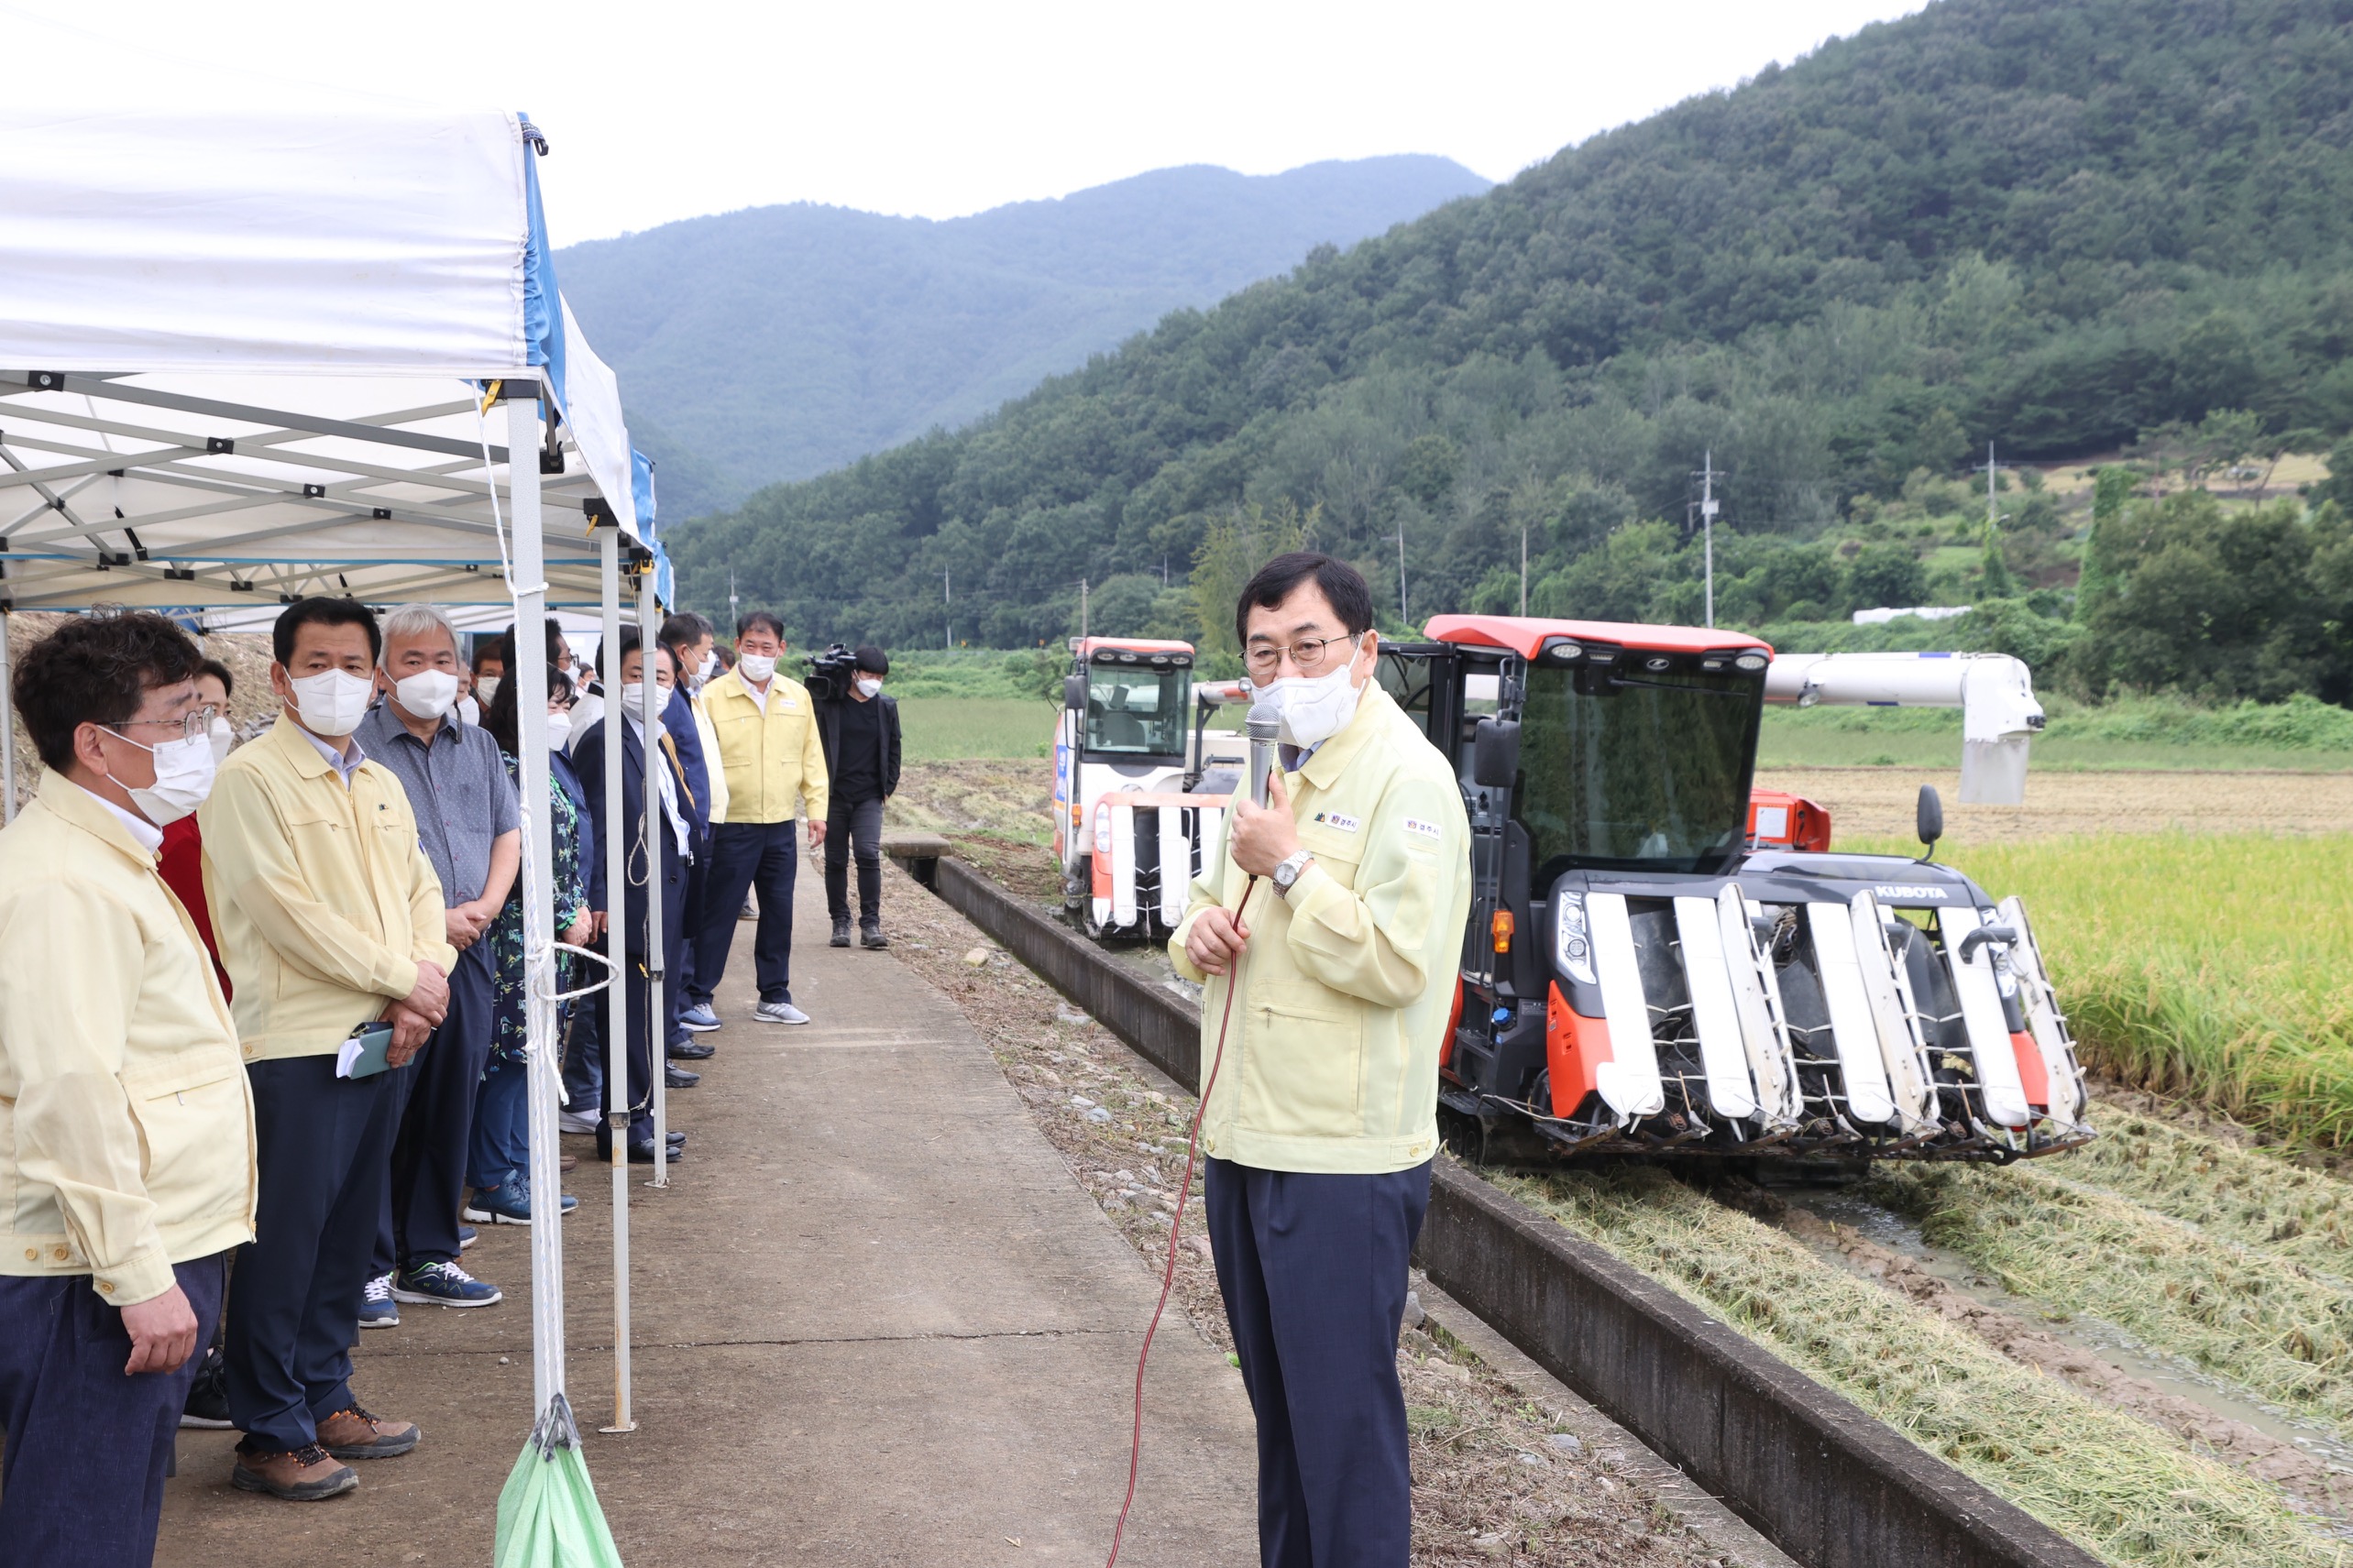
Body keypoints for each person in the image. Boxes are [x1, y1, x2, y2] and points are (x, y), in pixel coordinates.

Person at [1168, 553, 1472, 1568]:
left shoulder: (1408, 780)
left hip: (1340, 1155)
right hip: (1245, 1134)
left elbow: (1396, 961)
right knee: (1282, 1418)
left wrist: (1291, 865)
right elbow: (1209, 903)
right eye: (1264, 652)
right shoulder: (1272, 765)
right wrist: (1200, 931)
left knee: (1341, 1425)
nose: (1285, 669)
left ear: (1364, 652)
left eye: (1308, 646)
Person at [0, 611, 256, 1564]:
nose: (206, 738)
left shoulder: (112, 853)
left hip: (125, 1249)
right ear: (97, 745)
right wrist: (138, 1276)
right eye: (181, 717)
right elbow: (69, 1089)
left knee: (100, 1512)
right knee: (78, 1527)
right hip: (90, 1270)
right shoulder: (65, 882)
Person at [202, 596, 454, 1500]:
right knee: (287, 1237)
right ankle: (268, 1425)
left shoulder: (378, 780)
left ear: (377, 676)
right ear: (280, 677)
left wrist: (424, 981)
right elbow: (284, 911)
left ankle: (324, 1391)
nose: (337, 680)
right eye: (316, 664)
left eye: (353, 664)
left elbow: (422, 887)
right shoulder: (250, 779)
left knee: (351, 1233)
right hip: (296, 1041)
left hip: (386, 1032)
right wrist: (406, 976)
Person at [353, 604, 520, 1321]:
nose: (429, 674)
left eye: (442, 660)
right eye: (412, 660)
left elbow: (508, 831)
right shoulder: (356, 746)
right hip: (389, 956)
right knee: (380, 1109)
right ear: (385, 671)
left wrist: (483, 905)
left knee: (452, 1099)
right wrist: (434, 923)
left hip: (469, 950)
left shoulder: (476, 745)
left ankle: (429, 1252)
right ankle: (365, 1265)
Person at [467, 663, 591, 1223]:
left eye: (565, 703)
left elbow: (568, 851)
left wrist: (577, 906)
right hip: (518, 935)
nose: (560, 715)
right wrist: (568, 911)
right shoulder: (510, 768)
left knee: (533, 1055)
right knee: (509, 1056)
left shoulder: (546, 768)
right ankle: (494, 1181)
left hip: (549, 936)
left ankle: (518, 1165)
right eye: (550, 703)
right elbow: (523, 858)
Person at [575, 633, 692, 1164]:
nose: (648, 685)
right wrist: (599, 898)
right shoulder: (606, 739)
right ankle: (622, 1123)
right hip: (627, 898)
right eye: (636, 673)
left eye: (660, 676)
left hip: (665, 893)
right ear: (610, 676)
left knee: (650, 1013)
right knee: (624, 1016)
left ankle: (642, 1115)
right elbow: (595, 826)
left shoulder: (656, 736)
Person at [686, 611, 829, 1027]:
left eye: (767, 648)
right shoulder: (713, 696)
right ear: (739, 644)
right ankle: (699, 995)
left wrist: (816, 810)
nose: (758, 654)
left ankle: (774, 994)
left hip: (781, 824)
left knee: (779, 912)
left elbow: (812, 757)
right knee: (720, 911)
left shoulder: (797, 696)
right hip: (732, 823)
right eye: (750, 646)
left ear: (781, 650)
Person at [653, 613, 716, 1070]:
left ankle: (671, 1028)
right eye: (705, 651)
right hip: (675, 841)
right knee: (671, 949)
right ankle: (669, 1030)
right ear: (683, 652)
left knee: (681, 943)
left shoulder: (684, 696)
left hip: (690, 834)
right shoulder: (667, 701)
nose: (708, 660)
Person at [157, 655, 238, 995]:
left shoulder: (221, 796)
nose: (220, 725)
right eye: (206, 711)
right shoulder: (173, 823)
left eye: (225, 712)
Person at [814, 644, 900, 949]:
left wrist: (887, 788)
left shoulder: (886, 707)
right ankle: (840, 922)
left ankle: (870, 924)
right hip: (834, 795)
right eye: (868, 674)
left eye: (879, 677)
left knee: (867, 853)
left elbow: (894, 750)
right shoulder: (830, 705)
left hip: (868, 797)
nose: (874, 681)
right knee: (836, 860)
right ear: (854, 674)